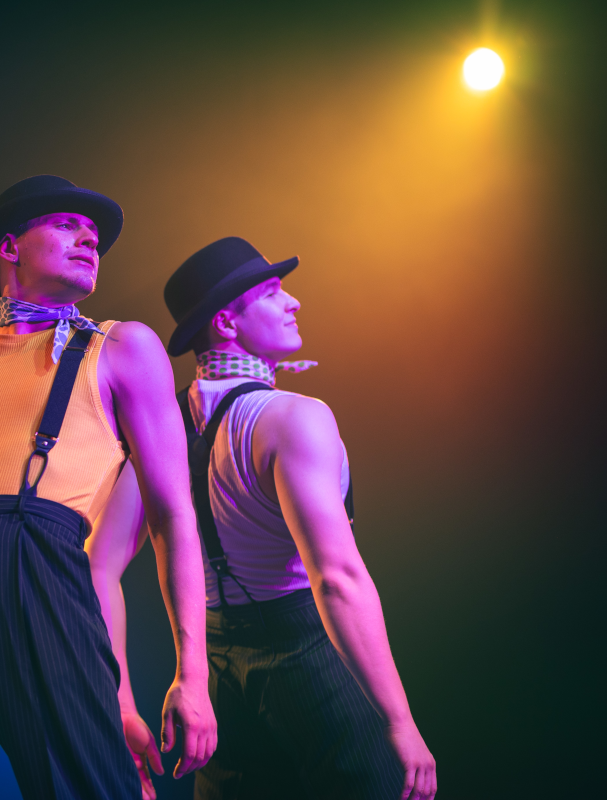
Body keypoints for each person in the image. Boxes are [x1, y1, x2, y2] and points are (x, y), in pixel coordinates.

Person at [0, 175, 215, 800]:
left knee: (86, 785)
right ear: (9, 247)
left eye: (95, 235)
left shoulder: (121, 347)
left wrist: (192, 676)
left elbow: (174, 517)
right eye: (66, 225)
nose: (89, 239)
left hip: (36, 570)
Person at [91, 237, 437, 799]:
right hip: (308, 653)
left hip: (217, 673)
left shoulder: (160, 431)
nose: (294, 302)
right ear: (226, 323)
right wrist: (399, 720)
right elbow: (337, 579)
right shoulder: (292, 419)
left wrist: (121, 705)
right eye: (273, 293)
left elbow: (97, 570)